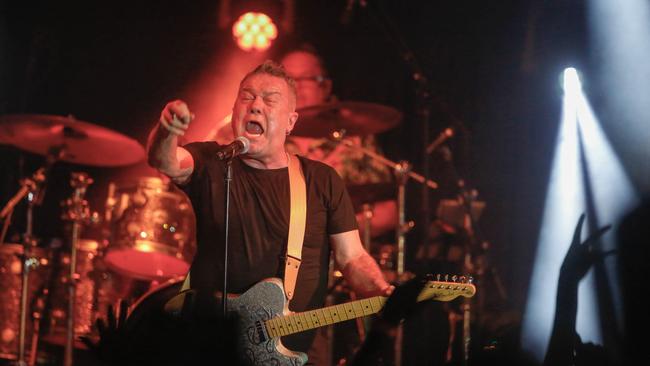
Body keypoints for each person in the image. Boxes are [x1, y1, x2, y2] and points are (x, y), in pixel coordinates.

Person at [145, 60, 393, 364]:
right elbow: (165, 160)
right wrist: (167, 131)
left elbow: (352, 257)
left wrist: (380, 289)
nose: (255, 106)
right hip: (207, 345)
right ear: (235, 109)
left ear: (291, 122)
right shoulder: (213, 161)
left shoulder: (321, 180)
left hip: (293, 352)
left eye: (269, 99)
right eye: (246, 97)